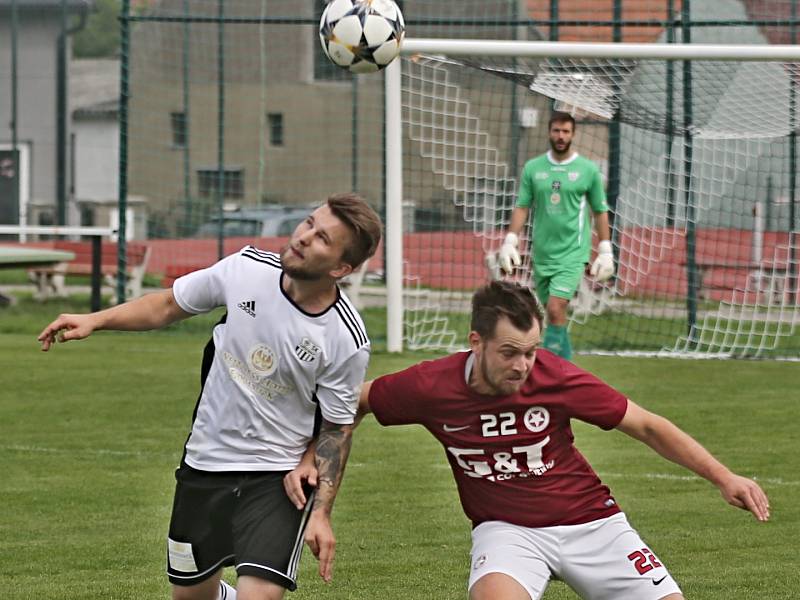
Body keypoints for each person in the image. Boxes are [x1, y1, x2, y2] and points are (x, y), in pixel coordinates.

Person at [286, 280, 770, 600]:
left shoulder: (555, 377)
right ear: (476, 342)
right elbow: (352, 405)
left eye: (532, 351)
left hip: (592, 523)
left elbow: (645, 424)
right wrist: (317, 484)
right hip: (506, 530)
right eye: (510, 352)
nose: (522, 366)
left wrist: (723, 476)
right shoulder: (430, 386)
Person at [37, 193, 382, 600]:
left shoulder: (344, 339)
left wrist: (320, 508)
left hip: (276, 475)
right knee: (190, 596)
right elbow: (167, 305)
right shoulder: (246, 269)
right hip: (205, 462)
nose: (304, 237)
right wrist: (96, 319)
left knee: (261, 595)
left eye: (323, 238)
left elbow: (337, 425)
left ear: (342, 267)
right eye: (308, 223)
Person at [494, 111, 613, 360]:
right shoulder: (534, 168)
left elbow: (600, 211)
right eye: (557, 131)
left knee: (556, 307)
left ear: (573, 134)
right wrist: (510, 241)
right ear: (549, 132)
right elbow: (522, 206)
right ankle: (567, 374)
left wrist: (605, 250)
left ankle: (545, 372)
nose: (561, 136)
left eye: (566, 131)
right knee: (553, 316)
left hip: (572, 253)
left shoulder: (587, 170)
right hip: (543, 253)